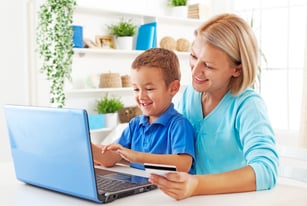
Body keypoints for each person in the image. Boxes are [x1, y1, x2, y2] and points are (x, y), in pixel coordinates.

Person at [149, 13, 279, 200]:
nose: (194, 71)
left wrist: (197, 185)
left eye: (208, 66)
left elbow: (266, 170)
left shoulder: (248, 105)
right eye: (193, 56)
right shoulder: (189, 95)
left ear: (237, 69)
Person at [91, 48, 195, 172]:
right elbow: (112, 157)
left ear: (173, 88)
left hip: (164, 189)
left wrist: (137, 157)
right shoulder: (135, 125)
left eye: (149, 89)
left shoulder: (178, 124)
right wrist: (88, 147)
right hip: (137, 187)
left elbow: (183, 164)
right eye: (136, 89)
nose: (141, 96)